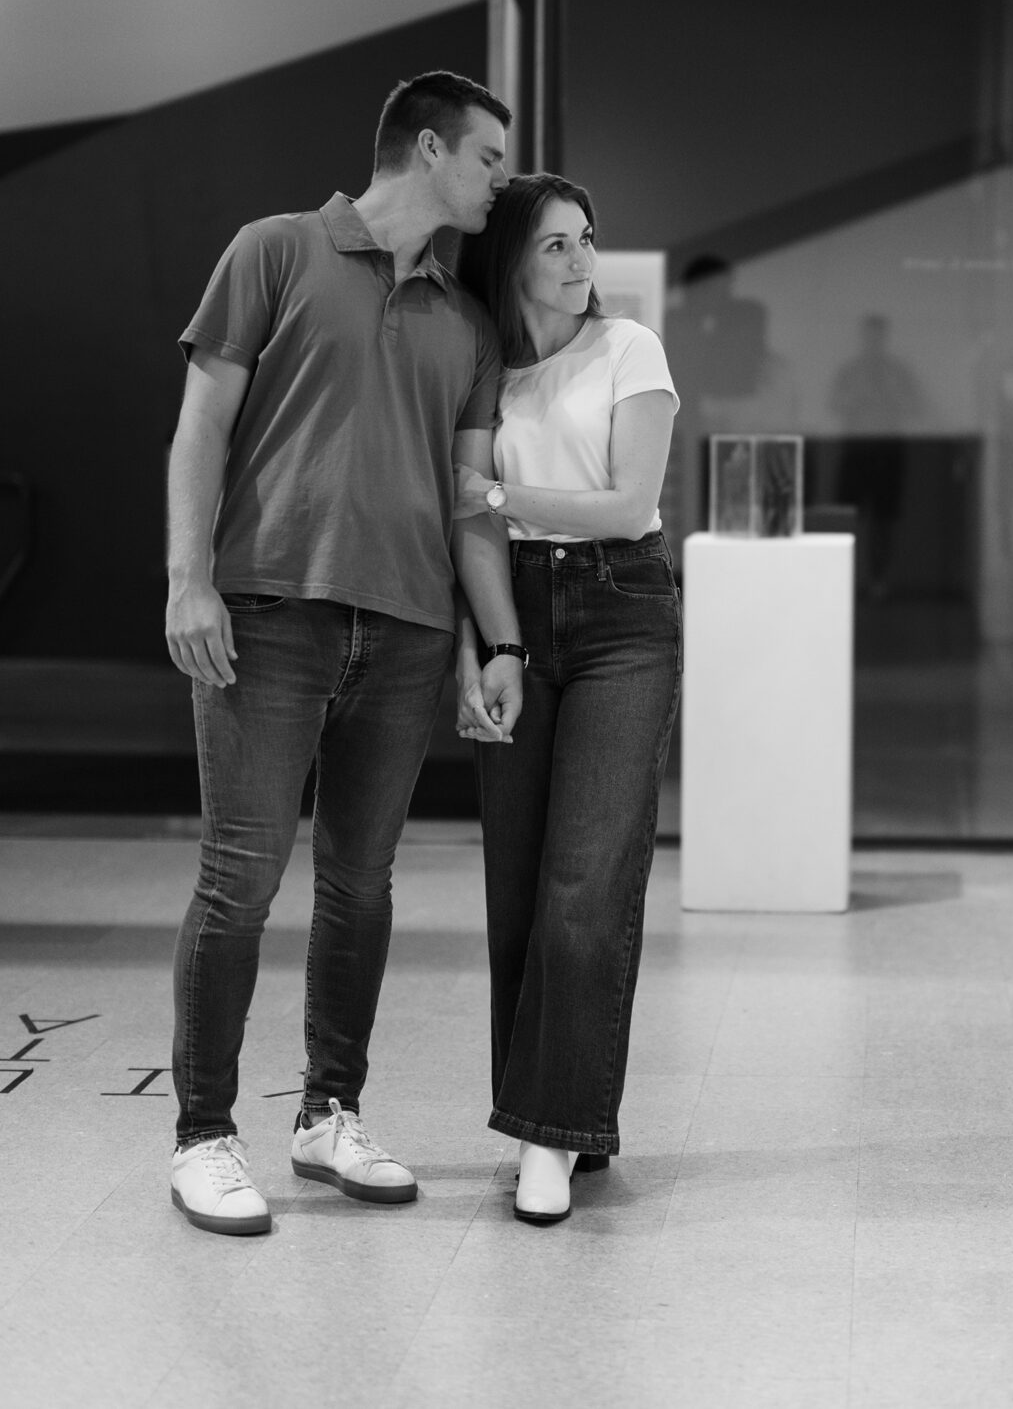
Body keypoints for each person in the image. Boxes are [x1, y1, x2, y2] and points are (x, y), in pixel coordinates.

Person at [159, 71, 528, 1237]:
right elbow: (200, 427)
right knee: (241, 878)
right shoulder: (273, 251)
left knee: (361, 884)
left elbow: (468, 505)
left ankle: (330, 1113)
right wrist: (187, 581)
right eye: (487, 162)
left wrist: (490, 640)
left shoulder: (467, 323)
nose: (498, 186)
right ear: (427, 148)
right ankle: (205, 1136)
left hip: (410, 628)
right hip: (268, 614)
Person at [449, 173, 681, 1225]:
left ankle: (550, 1136)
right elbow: (468, 531)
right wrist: (493, 641)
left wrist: (499, 492)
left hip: (620, 611)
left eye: (587, 238)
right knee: (518, 886)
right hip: (517, 617)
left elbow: (626, 503)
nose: (582, 261)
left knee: (588, 884)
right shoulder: (480, 368)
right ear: (509, 262)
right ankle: (550, 1113)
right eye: (555, 246)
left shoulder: (631, 349)